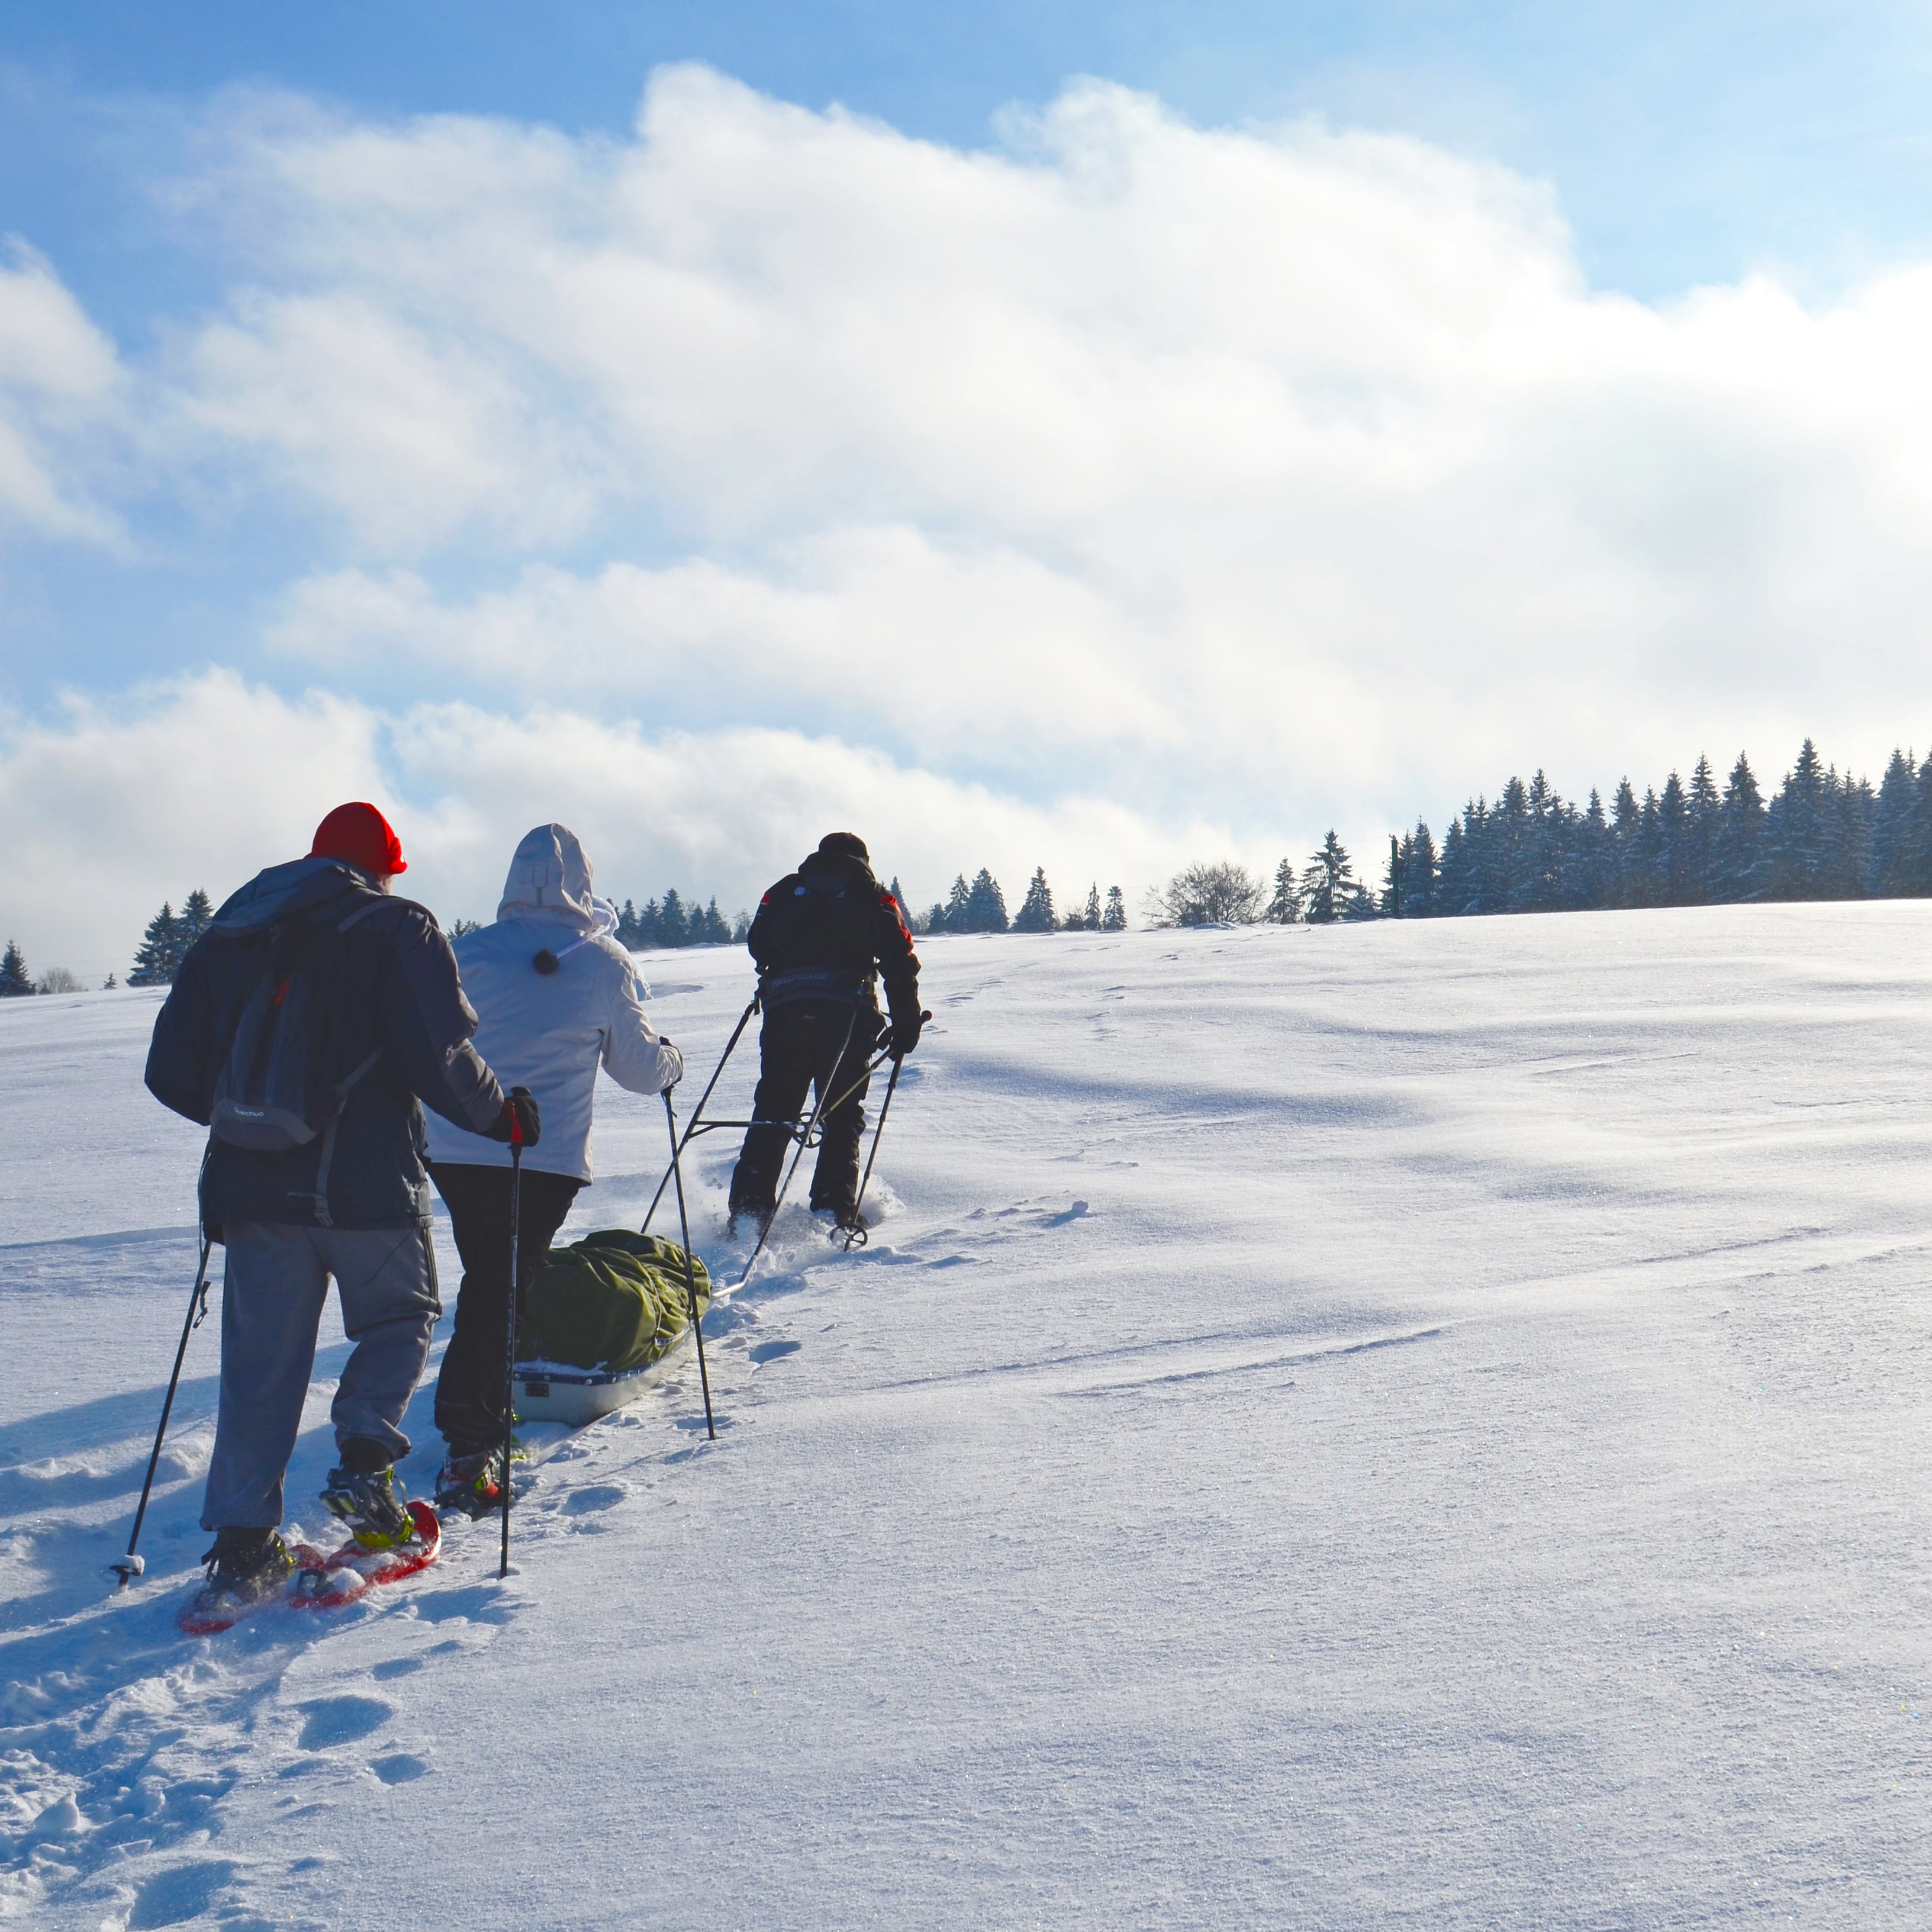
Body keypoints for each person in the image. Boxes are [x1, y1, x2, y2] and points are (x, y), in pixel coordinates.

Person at [145, 801, 536, 1619]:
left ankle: (243, 1548)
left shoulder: (236, 930)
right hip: (367, 1184)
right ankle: (364, 1463)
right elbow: (441, 1056)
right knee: (400, 1316)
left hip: (250, 1192)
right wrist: (503, 1117)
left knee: (260, 1365)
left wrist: (256, 1119)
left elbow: (171, 1072)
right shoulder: (396, 927)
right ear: (382, 866)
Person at [422, 824, 684, 1513]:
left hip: (452, 1143)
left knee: (494, 1274)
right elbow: (638, 1068)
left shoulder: (465, 953)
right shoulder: (603, 963)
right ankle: (470, 1438)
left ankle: (476, 1410)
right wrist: (672, 1062)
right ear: (584, 885)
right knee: (501, 1283)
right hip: (541, 1155)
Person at [727, 832, 921, 1238]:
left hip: (785, 1012)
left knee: (774, 1109)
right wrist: (906, 1022)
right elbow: (899, 959)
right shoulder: (873, 895)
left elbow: (758, 944)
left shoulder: (782, 891)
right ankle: (833, 1209)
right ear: (863, 859)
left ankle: (750, 1208)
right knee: (841, 1113)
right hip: (847, 1017)